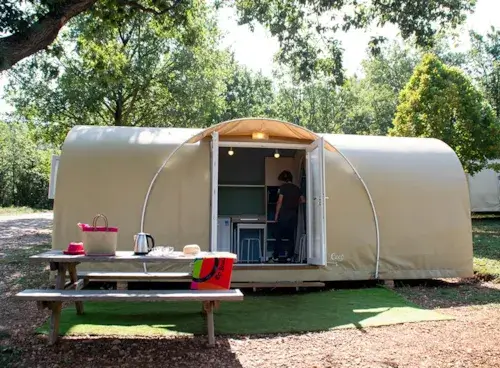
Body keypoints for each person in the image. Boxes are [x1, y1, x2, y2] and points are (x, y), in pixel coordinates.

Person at [272, 170, 305, 263]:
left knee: (278, 235)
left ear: (283, 179)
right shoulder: (297, 188)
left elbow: (279, 202)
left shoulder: (283, 188)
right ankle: (290, 256)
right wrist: (294, 203)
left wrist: (276, 215)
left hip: (283, 214)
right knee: (291, 236)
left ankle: (277, 255)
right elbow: (303, 200)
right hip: (293, 215)